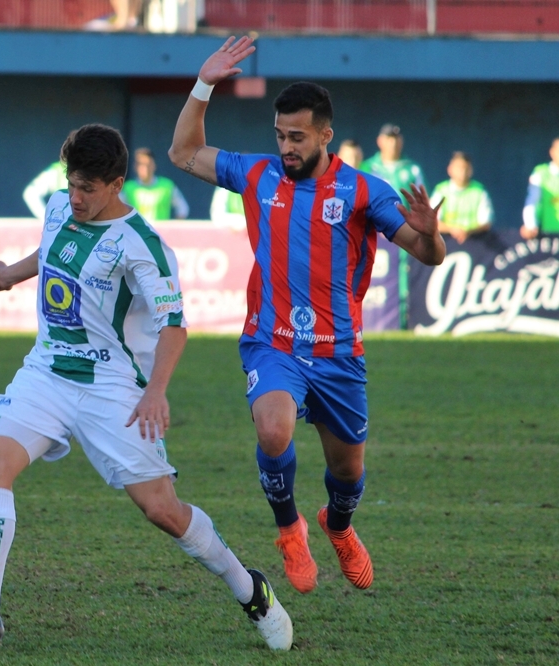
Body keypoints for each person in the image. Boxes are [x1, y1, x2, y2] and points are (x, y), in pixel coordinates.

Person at [0, 123, 293, 651]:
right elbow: (52, 250)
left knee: (162, 509)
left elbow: (174, 325)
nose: (76, 197)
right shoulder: (59, 207)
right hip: (47, 372)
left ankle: (249, 588)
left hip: (113, 388)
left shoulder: (141, 245)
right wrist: (13, 272)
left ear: (117, 184)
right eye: (71, 184)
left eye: (88, 188)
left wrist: (156, 391)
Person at [168, 37, 445, 595]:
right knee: (273, 431)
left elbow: (427, 254)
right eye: (280, 135)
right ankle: (290, 529)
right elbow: (182, 153)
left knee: (347, 471)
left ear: (325, 135)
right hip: (273, 342)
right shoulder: (257, 174)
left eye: (297, 137)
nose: (286, 147)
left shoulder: (363, 190)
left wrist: (431, 233)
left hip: (339, 353)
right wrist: (204, 85)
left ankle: (337, 527)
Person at [360, 124, 426, 329]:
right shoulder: (367, 167)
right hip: (373, 233)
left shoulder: (412, 168)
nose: (393, 143)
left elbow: (422, 203)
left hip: (401, 231)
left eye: (396, 138)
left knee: (404, 277)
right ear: (380, 141)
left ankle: (405, 321)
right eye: (388, 138)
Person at [430, 152, 494, 244]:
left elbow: (486, 223)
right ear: (450, 169)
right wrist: (452, 230)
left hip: (475, 243)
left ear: (471, 170)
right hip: (446, 243)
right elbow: (432, 222)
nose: (462, 172)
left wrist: (467, 232)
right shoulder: (441, 191)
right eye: (459, 168)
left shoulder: (479, 191)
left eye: (465, 168)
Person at [122, 148, 190, 220]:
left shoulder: (167, 186)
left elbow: (183, 209)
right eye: (140, 164)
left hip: (161, 228)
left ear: (154, 165)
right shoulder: (127, 188)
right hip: (136, 227)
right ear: (135, 166)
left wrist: (174, 226)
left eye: (148, 164)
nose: (144, 168)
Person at [521, 137, 559, 239]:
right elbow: (532, 201)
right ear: (552, 152)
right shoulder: (541, 173)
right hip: (549, 236)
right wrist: (530, 226)